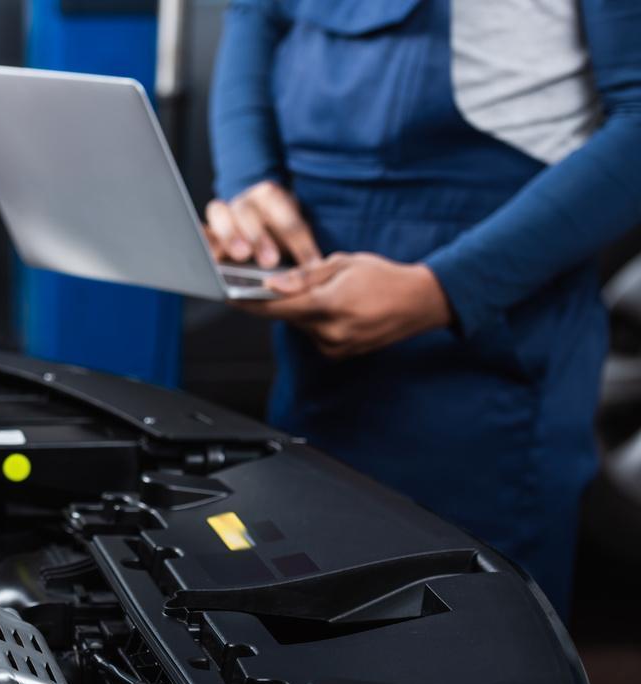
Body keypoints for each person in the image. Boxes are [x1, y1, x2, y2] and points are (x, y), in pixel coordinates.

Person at [204, 0, 641, 617]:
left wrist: (445, 289)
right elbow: (254, 14)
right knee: (317, 629)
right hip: (318, 362)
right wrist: (249, 182)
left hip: (486, 370)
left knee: (475, 650)